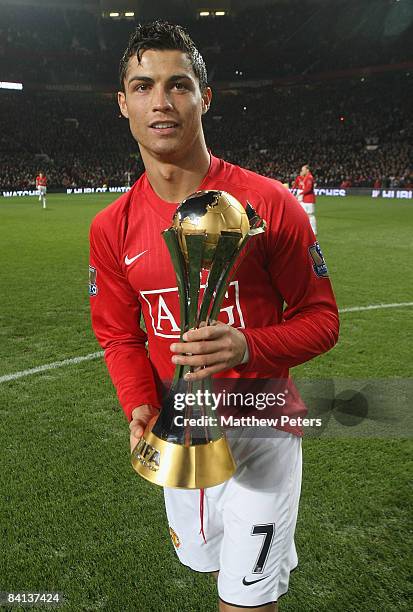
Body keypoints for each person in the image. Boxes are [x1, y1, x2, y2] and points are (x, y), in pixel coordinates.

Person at [89, 21, 339, 612]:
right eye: (143, 86)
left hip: (263, 427)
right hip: (179, 434)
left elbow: (322, 319)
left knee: (246, 601)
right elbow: (119, 335)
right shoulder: (111, 227)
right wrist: (138, 405)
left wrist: (248, 346)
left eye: (178, 85)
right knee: (206, 562)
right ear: (123, 103)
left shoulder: (270, 203)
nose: (161, 101)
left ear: (205, 97)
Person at [292, 165, 316, 235]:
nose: (302, 171)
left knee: (310, 215)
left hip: (309, 199)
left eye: (303, 170)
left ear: (307, 170)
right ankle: (304, 229)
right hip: (305, 199)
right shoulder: (305, 177)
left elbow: (308, 189)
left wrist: (300, 194)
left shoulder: (309, 177)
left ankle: (314, 231)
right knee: (303, 214)